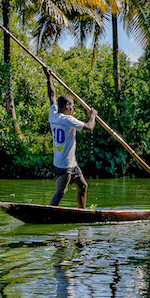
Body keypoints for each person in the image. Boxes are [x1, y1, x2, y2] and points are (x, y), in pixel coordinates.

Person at [46, 67, 96, 207]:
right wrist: (93, 116)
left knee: (83, 186)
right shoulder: (68, 120)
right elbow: (89, 127)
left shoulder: (53, 114)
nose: (73, 109)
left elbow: (52, 96)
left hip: (71, 164)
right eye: (72, 106)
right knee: (60, 192)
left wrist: (48, 77)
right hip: (64, 165)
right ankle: (48, 213)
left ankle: (83, 213)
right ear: (67, 106)